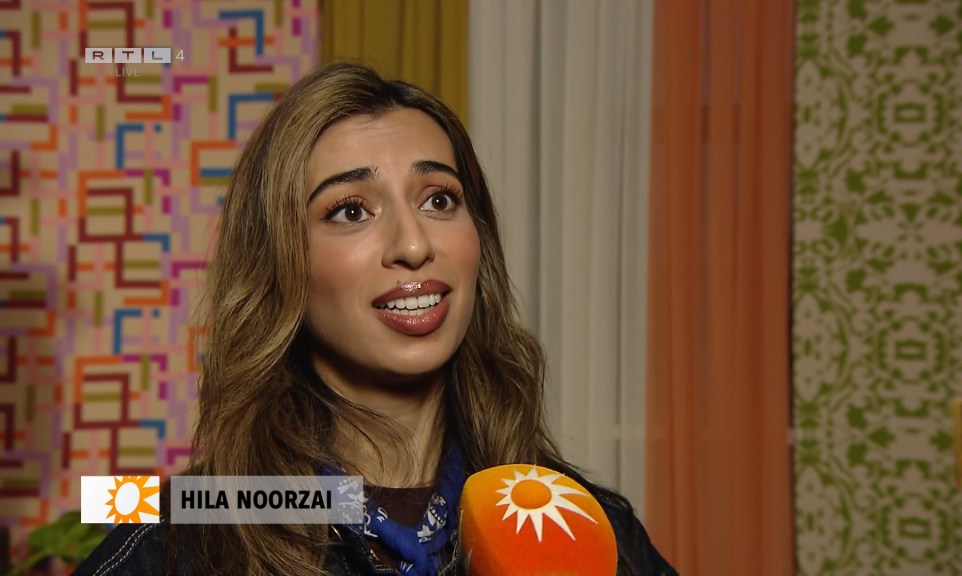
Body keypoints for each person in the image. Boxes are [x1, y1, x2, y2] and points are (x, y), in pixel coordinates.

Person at [75, 62, 676, 576]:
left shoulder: (597, 530)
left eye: (439, 199)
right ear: (280, 264)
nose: (413, 244)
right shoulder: (180, 533)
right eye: (350, 211)